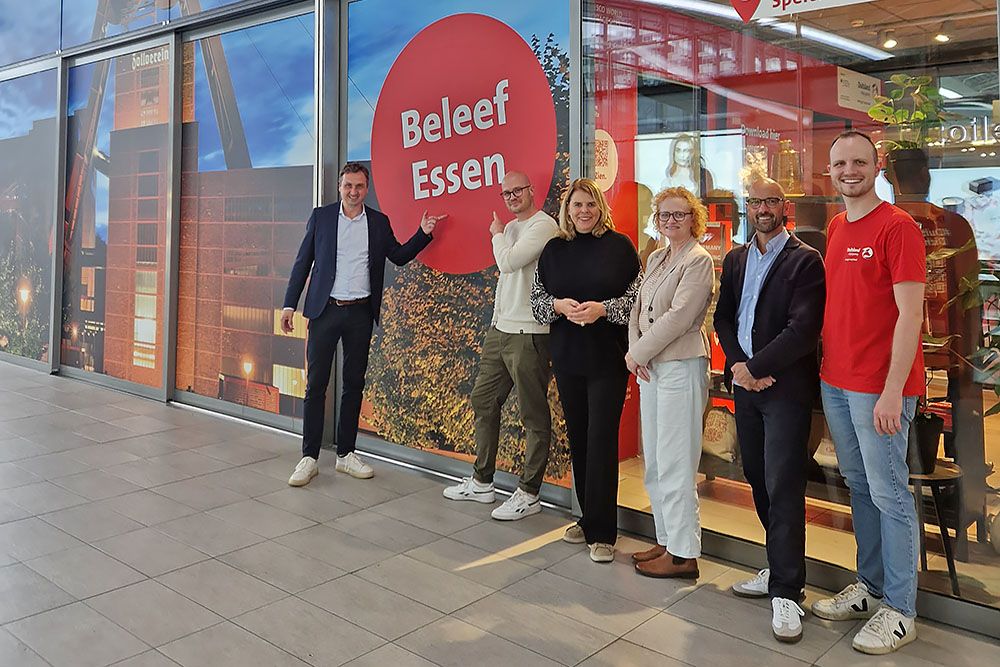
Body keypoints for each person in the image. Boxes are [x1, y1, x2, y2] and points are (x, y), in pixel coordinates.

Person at [812, 131, 926, 655]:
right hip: (836, 381)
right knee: (859, 486)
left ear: (876, 166)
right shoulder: (837, 226)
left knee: (891, 494)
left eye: (859, 161)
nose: (849, 170)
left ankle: (900, 610)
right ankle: (872, 586)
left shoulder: (898, 227)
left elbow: (911, 316)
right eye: (840, 163)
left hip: (879, 390)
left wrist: (891, 391)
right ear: (829, 169)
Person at [281, 162, 445, 486]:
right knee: (316, 386)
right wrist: (289, 304)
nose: (353, 192)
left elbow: (397, 255)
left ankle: (345, 455)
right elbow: (302, 263)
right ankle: (309, 457)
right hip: (324, 311)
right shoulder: (322, 218)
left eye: (358, 186)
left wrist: (423, 234)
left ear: (366, 189)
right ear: (340, 187)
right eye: (347, 186)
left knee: (354, 385)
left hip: (359, 314)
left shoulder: (379, 223)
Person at [713, 178, 826, 643]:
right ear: (748, 208)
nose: (762, 208)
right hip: (748, 386)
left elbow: (803, 330)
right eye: (755, 201)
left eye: (771, 201)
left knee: (783, 484)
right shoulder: (736, 258)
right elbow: (724, 317)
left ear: (785, 207)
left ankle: (787, 590)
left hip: (784, 389)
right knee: (756, 476)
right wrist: (740, 367)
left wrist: (755, 367)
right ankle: (777, 565)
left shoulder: (805, 260)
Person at [531, 178, 640, 563]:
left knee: (602, 441)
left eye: (590, 205)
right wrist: (559, 306)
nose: (583, 212)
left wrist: (603, 309)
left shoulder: (620, 247)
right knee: (578, 438)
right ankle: (585, 517)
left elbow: (636, 303)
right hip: (568, 358)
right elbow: (537, 303)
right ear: (567, 209)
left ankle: (604, 533)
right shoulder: (554, 250)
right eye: (577, 205)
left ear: (600, 208)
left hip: (608, 360)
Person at [442, 171, 558, 520]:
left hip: (530, 332)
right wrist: (495, 320)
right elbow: (506, 279)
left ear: (531, 190)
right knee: (482, 399)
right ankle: (482, 482)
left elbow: (508, 262)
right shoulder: (510, 230)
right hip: (502, 329)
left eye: (517, 190)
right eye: (505, 192)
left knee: (533, 413)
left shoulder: (543, 226)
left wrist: (495, 235)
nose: (511, 197)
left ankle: (529, 492)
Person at [625, 186, 715, 580]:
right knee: (656, 464)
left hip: (680, 367)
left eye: (679, 214)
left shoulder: (698, 260)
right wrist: (636, 351)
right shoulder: (658, 256)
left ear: (693, 219)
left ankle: (683, 554)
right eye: (664, 215)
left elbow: (679, 318)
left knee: (677, 463)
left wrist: (638, 353)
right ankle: (665, 540)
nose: (670, 221)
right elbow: (638, 308)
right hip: (650, 368)